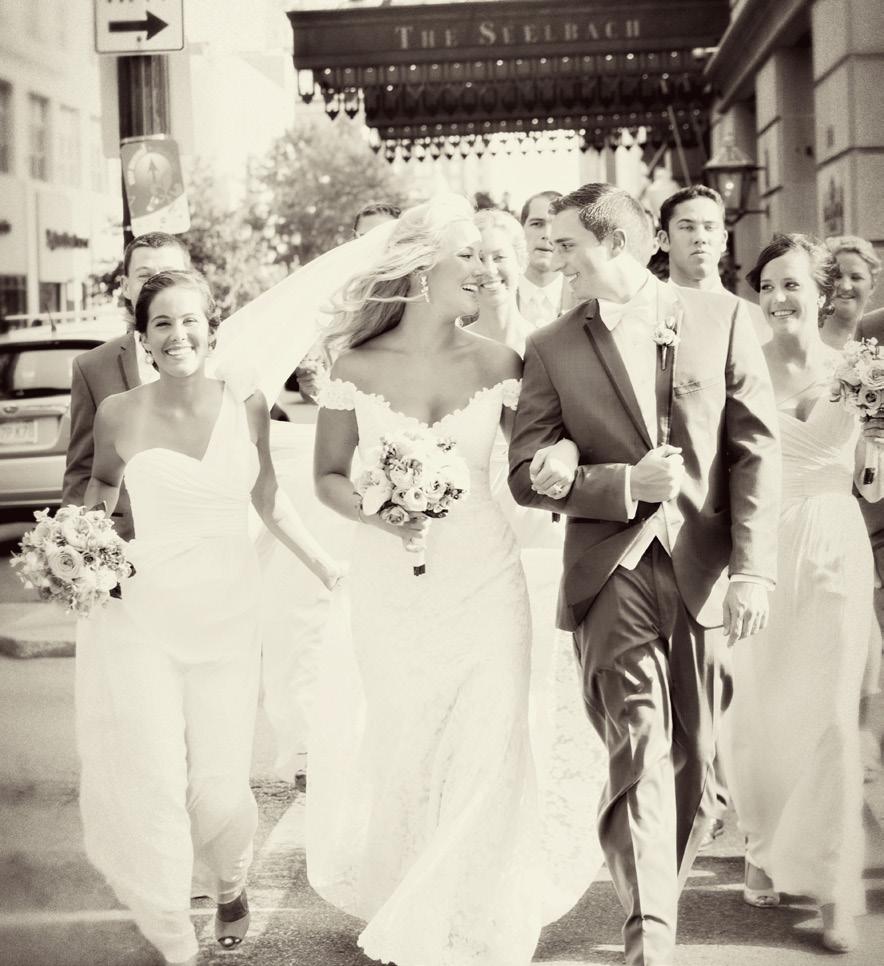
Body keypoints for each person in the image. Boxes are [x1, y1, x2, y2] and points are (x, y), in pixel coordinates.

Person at [307, 194, 595, 966]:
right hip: (392, 588)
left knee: (490, 741)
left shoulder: (501, 363)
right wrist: (379, 511)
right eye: (466, 253)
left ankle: (478, 916)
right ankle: (420, 900)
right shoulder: (354, 368)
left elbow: (539, 455)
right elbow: (327, 476)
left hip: (485, 578)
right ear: (418, 267)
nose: (483, 267)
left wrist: (566, 458)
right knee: (410, 743)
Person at [508, 182, 781, 966]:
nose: (554, 256)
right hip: (609, 571)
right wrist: (621, 483)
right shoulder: (551, 345)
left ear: (616, 244)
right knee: (638, 739)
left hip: (703, 568)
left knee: (695, 764)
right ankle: (650, 933)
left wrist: (754, 570)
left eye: (568, 244)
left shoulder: (723, 318)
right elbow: (526, 474)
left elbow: (754, 450)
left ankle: (656, 883)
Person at [75, 270, 341, 966]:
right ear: (143, 338)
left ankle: (229, 882)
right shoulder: (118, 413)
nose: (178, 334)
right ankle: (171, 926)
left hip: (228, 613)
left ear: (211, 328)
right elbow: (101, 484)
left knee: (218, 786)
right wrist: (77, 548)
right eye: (162, 323)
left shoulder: (245, 404)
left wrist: (326, 566)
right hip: (143, 616)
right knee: (157, 774)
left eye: (190, 319)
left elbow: (269, 497)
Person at [724, 234, 882, 954]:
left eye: (793, 284)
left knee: (832, 718)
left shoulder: (860, 369)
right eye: (768, 286)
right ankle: (762, 844)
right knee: (764, 707)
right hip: (762, 550)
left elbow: (873, 484)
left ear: (823, 293)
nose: (779, 298)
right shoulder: (739, 371)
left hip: (835, 546)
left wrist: (878, 443)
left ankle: (836, 889)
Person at [63, 232, 191, 539]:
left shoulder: (219, 354)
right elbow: (82, 470)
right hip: (125, 540)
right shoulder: (91, 367)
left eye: (170, 274)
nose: (157, 285)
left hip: (201, 536)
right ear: (125, 285)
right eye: (145, 276)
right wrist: (75, 542)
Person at [825, 236, 884, 782]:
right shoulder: (814, 341)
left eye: (856, 277)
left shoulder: (877, 335)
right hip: (839, 503)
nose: (845, 286)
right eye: (834, 276)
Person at [657, 184, 770, 344]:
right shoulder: (647, 314)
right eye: (687, 227)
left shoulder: (755, 320)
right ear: (664, 240)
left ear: (723, 240)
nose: (700, 238)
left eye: (710, 227)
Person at [516, 190, 575, 328]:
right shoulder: (496, 296)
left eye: (556, 226)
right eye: (537, 224)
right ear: (521, 230)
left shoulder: (587, 302)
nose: (547, 235)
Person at [822, 234, 881, 348]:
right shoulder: (804, 337)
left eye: (856, 278)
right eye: (837, 276)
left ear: (872, 285)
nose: (846, 286)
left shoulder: (880, 336)